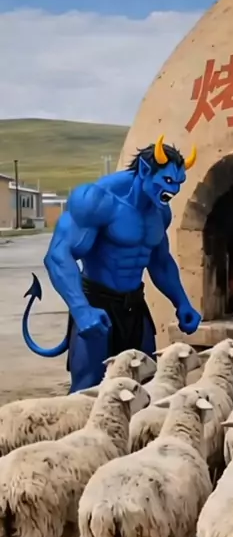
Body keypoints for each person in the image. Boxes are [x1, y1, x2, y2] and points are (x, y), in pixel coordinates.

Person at [34, 134, 202, 393]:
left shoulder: (160, 211)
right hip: (97, 305)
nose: (174, 191)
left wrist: (181, 302)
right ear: (145, 170)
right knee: (88, 391)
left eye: (179, 183)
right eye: (168, 181)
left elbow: (159, 261)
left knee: (143, 388)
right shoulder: (97, 200)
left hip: (135, 305)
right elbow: (58, 256)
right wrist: (81, 310)